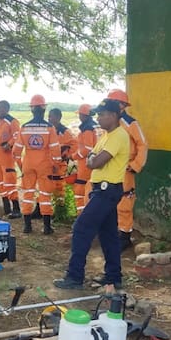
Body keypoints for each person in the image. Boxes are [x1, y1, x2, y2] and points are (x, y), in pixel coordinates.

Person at [53, 99, 129, 292]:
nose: (98, 118)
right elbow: (90, 159)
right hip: (102, 190)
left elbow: (95, 163)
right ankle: (113, 277)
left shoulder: (118, 136)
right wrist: (92, 158)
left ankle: (74, 276)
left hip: (107, 190)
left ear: (113, 115)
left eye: (102, 114)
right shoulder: (106, 135)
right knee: (109, 235)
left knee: (81, 228)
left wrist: (93, 158)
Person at [106, 88, 148, 251]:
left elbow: (143, 144)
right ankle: (113, 232)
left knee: (124, 201)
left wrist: (136, 165)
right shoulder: (109, 122)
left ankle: (125, 236)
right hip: (109, 167)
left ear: (122, 105)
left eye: (114, 102)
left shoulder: (130, 123)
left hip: (125, 168)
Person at [13, 95, 61, 234]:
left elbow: (16, 150)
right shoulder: (49, 128)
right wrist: (56, 163)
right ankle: (46, 227)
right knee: (45, 194)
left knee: (28, 193)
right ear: (44, 109)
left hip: (28, 163)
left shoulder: (25, 127)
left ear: (32, 110)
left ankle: (27, 226)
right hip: (44, 165)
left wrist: (21, 165)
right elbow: (55, 148)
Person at [0, 100, 21, 218]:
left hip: (7, 157)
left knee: (9, 182)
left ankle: (16, 209)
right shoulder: (0, 122)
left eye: (2, 108)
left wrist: (9, 144)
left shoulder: (12, 122)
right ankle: (6, 207)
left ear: (7, 109)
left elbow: (17, 136)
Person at [48, 107, 78, 209]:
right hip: (47, 163)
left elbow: (75, 145)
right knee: (45, 186)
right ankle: (42, 209)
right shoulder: (47, 130)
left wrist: (67, 155)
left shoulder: (64, 132)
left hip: (60, 165)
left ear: (58, 117)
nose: (49, 119)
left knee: (59, 186)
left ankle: (60, 209)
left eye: (51, 116)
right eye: (48, 116)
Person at [72, 104, 97, 214]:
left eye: (80, 115)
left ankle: (81, 217)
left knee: (80, 192)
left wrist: (73, 156)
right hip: (96, 164)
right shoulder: (96, 126)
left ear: (83, 115)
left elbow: (87, 149)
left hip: (86, 166)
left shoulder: (87, 129)